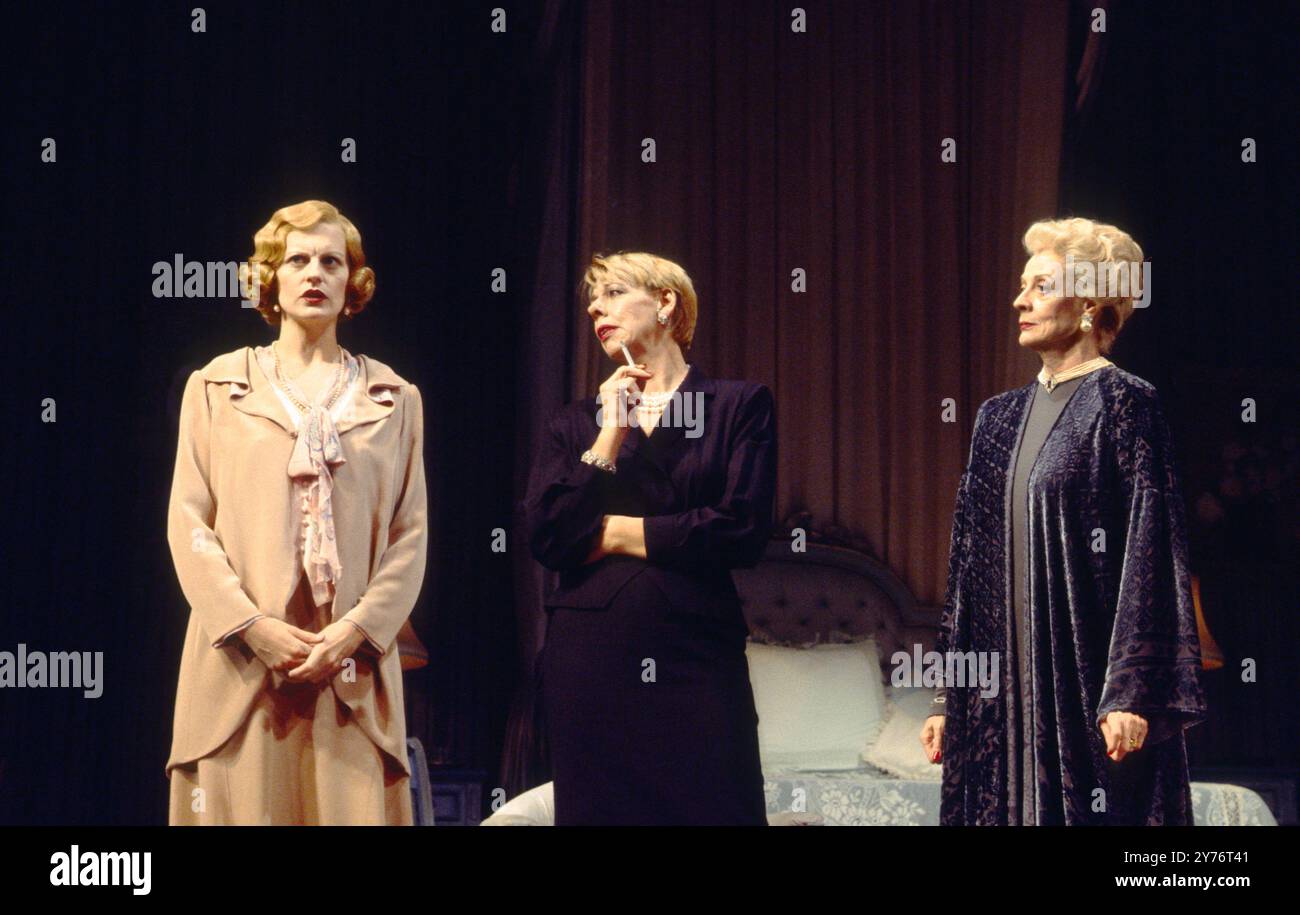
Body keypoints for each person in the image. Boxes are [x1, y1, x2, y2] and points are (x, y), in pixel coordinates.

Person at [920, 217, 1206, 825]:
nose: (1019, 300)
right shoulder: (996, 418)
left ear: (1088, 304)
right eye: (1022, 286)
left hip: (1086, 686)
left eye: (1041, 286)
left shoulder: (1127, 402)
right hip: (994, 697)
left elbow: (1150, 549)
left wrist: (1131, 690)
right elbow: (967, 564)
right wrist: (949, 693)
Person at [165, 199, 427, 825]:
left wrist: (354, 632)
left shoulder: (395, 398)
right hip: (243, 669)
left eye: (331, 261)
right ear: (271, 281)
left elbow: (409, 534)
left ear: (352, 282)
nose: (315, 273)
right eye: (297, 260)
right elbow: (188, 520)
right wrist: (252, 626)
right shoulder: (216, 387)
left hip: (351, 674)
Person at [521, 251, 776, 825]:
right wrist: (611, 431)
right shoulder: (575, 421)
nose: (594, 307)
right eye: (593, 299)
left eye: (613, 293)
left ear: (665, 303)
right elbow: (548, 537)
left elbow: (740, 528)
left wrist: (612, 531)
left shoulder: (738, 405)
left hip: (696, 654)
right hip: (592, 654)